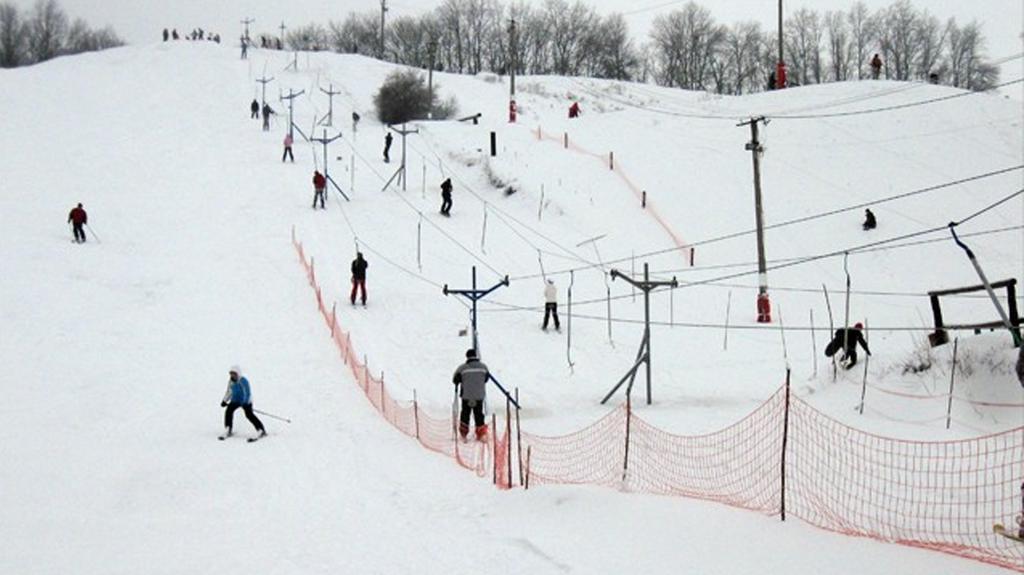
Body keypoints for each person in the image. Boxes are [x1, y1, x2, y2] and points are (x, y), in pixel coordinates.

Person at [219, 365, 266, 440]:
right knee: (229, 411)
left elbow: (247, 393)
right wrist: (224, 401)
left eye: (234, 374)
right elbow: (229, 392)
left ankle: (261, 430)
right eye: (231, 374)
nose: (232, 375)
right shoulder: (231, 381)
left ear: (238, 373)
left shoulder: (243, 381)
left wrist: (244, 403)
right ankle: (228, 428)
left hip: (246, 401)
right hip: (235, 400)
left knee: (249, 415)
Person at [452, 348, 490, 441]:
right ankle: (481, 434)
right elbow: (486, 379)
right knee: (479, 414)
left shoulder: (462, 368)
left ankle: (463, 434)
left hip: (466, 396)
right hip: (479, 396)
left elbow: (455, 380)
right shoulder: (483, 367)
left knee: (465, 414)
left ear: (467, 356)